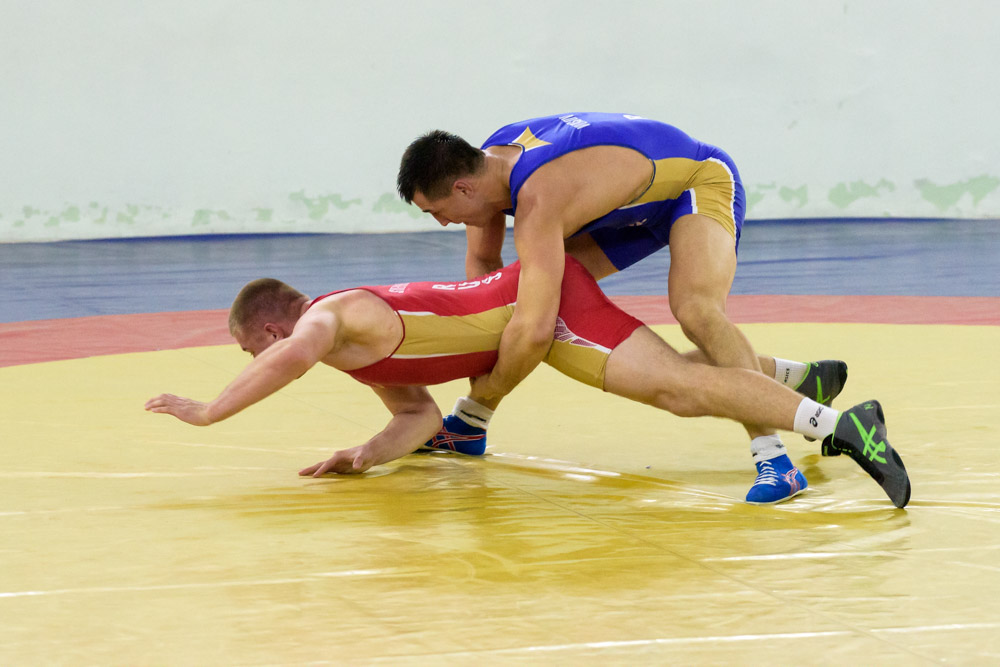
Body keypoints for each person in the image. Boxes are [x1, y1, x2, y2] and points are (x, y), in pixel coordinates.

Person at [144, 256, 910, 508]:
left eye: (248, 350)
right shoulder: (353, 349)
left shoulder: (328, 317)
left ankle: (841, 427)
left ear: (271, 330)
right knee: (679, 384)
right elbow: (417, 417)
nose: (255, 361)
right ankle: (798, 381)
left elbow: (288, 360)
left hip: (544, 302)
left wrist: (211, 411)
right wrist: (366, 453)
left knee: (679, 390)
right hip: (534, 319)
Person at [397, 112, 847, 503]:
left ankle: (774, 457)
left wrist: (490, 373)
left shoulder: (539, 196)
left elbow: (532, 333)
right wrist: (487, 342)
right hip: (628, 209)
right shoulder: (488, 166)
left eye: (438, 211)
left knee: (696, 310)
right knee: (528, 297)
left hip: (696, 182)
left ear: (462, 188)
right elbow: (485, 274)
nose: (443, 222)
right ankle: (795, 379)